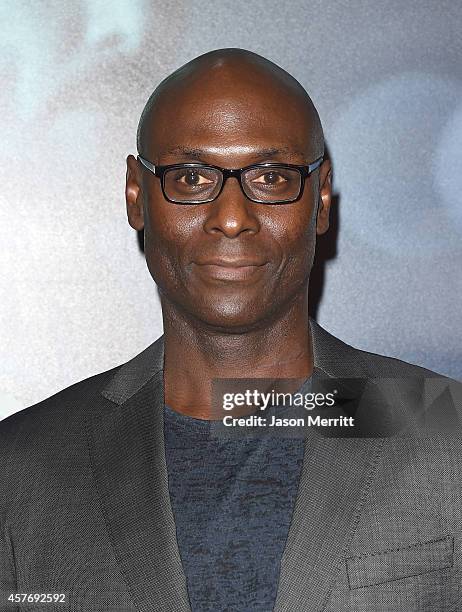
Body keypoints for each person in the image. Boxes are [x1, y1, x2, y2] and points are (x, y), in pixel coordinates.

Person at [1, 48, 461, 612]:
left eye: (270, 177)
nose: (232, 216)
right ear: (135, 196)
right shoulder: (22, 466)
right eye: (191, 178)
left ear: (319, 199)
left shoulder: (443, 430)